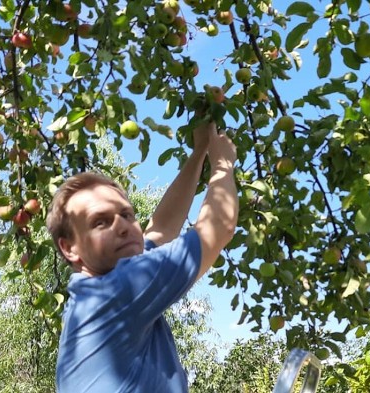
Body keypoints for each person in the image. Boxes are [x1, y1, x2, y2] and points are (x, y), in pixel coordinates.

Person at [46, 120, 238, 392]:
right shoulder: (115, 291)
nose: (122, 226)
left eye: (126, 215)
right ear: (69, 248)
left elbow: (162, 228)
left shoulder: (97, 293)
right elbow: (219, 227)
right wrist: (222, 163)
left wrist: (200, 151)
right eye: (100, 222)